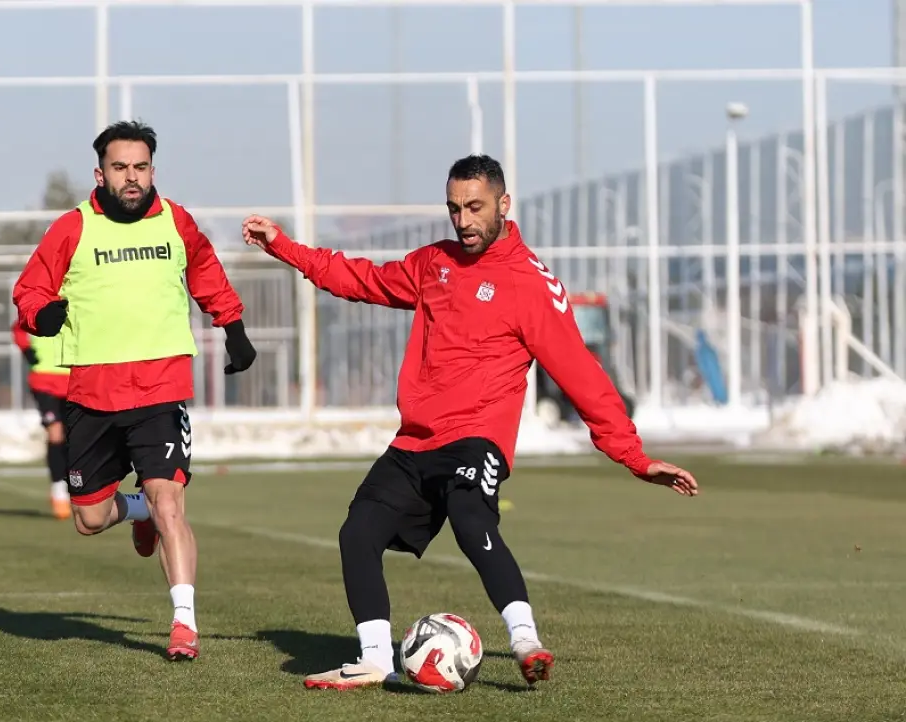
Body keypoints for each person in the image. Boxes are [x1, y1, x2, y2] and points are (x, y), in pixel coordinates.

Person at [241, 154, 698, 690]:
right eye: (454, 208)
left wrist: (634, 457)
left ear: (504, 204)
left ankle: (525, 640)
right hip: (416, 441)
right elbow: (360, 278)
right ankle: (375, 659)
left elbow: (581, 375)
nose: (463, 220)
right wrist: (283, 245)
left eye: (475, 207)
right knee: (356, 533)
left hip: (478, 437)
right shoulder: (434, 263)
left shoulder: (531, 284)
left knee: (469, 514)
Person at [12, 120, 257, 662]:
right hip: (92, 395)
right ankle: (136, 511)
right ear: (100, 173)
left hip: (160, 388)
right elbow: (29, 288)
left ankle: (184, 624)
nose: (132, 177)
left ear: (152, 170)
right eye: (120, 167)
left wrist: (233, 327)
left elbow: (206, 272)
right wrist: (41, 313)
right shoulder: (72, 228)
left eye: (141, 167)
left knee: (171, 502)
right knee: (90, 519)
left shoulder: (175, 220)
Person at [11, 320, 73, 520]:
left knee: (74, 437)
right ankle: (58, 489)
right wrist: (26, 349)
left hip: (74, 381)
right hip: (44, 381)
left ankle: (72, 483)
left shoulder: (80, 307)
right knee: (55, 433)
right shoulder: (42, 306)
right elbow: (19, 326)